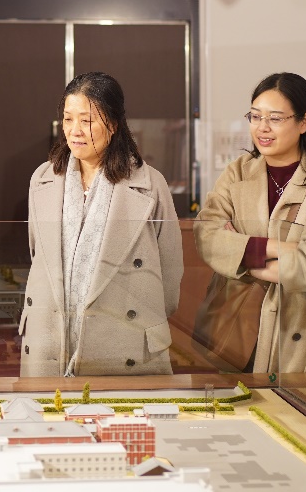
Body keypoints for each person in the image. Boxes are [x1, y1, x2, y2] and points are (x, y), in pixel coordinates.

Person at [194, 72, 306, 382]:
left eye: (274, 118)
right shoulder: (237, 173)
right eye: (255, 116)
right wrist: (278, 249)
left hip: (304, 336)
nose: (262, 128)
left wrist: (241, 255)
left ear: (304, 121)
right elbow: (207, 236)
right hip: (240, 332)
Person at [19, 72, 183, 377]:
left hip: (123, 337)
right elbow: (37, 254)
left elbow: (170, 273)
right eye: (68, 119)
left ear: (113, 123)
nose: (75, 131)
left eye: (87, 120)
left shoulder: (150, 184)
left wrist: (139, 318)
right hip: (50, 336)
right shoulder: (42, 179)